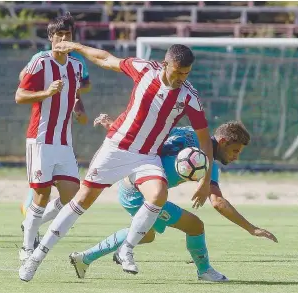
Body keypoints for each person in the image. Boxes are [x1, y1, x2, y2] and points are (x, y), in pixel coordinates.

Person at [19, 42, 215, 282]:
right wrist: (75, 46)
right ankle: (36, 257)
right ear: (165, 65)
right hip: (116, 148)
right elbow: (104, 58)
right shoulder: (144, 70)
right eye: (178, 72)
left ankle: (127, 249)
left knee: (158, 194)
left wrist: (205, 180)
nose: (181, 78)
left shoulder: (189, 97)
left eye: (186, 73)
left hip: (147, 156)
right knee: (81, 201)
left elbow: (205, 140)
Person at [67, 115, 278, 282]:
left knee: (146, 235)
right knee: (195, 226)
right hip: (140, 194)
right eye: (234, 151)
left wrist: (114, 125)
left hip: (132, 188)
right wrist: (251, 228)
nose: (235, 157)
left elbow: (149, 137)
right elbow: (218, 202)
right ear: (222, 141)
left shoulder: (190, 132)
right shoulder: (207, 158)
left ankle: (83, 258)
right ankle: (205, 271)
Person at [15, 13, 84, 264]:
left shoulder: (76, 66)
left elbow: (74, 95)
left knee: (73, 197)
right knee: (41, 196)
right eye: (59, 35)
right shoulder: (40, 63)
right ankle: (26, 247)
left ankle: (29, 224)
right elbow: (20, 95)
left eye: (68, 34)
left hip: (64, 142)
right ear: (51, 38)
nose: (64, 39)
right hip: (41, 140)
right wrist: (46, 92)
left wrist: (78, 108)